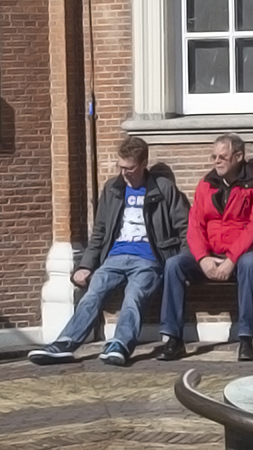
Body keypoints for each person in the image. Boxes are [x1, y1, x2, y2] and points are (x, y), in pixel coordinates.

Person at [32, 135, 187, 364]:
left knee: (133, 296)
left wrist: (182, 263)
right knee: (93, 293)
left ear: (144, 164)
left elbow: (184, 227)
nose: (124, 173)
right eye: (120, 167)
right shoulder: (113, 188)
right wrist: (86, 265)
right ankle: (65, 343)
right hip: (113, 258)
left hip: (148, 259)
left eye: (130, 168)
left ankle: (121, 345)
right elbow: (100, 231)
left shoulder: (164, 189)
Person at [174, 133, 253, 358]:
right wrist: (202, 258)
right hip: (211, 253)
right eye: (214, 156)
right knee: (174, 265)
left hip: (245, 253)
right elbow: (194, 224)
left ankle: (245, 339)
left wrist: (232, 259)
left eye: (223, 156)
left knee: (250, 264)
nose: (216, 161)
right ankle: (173, 338)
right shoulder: (206, 184)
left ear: (239, 156)